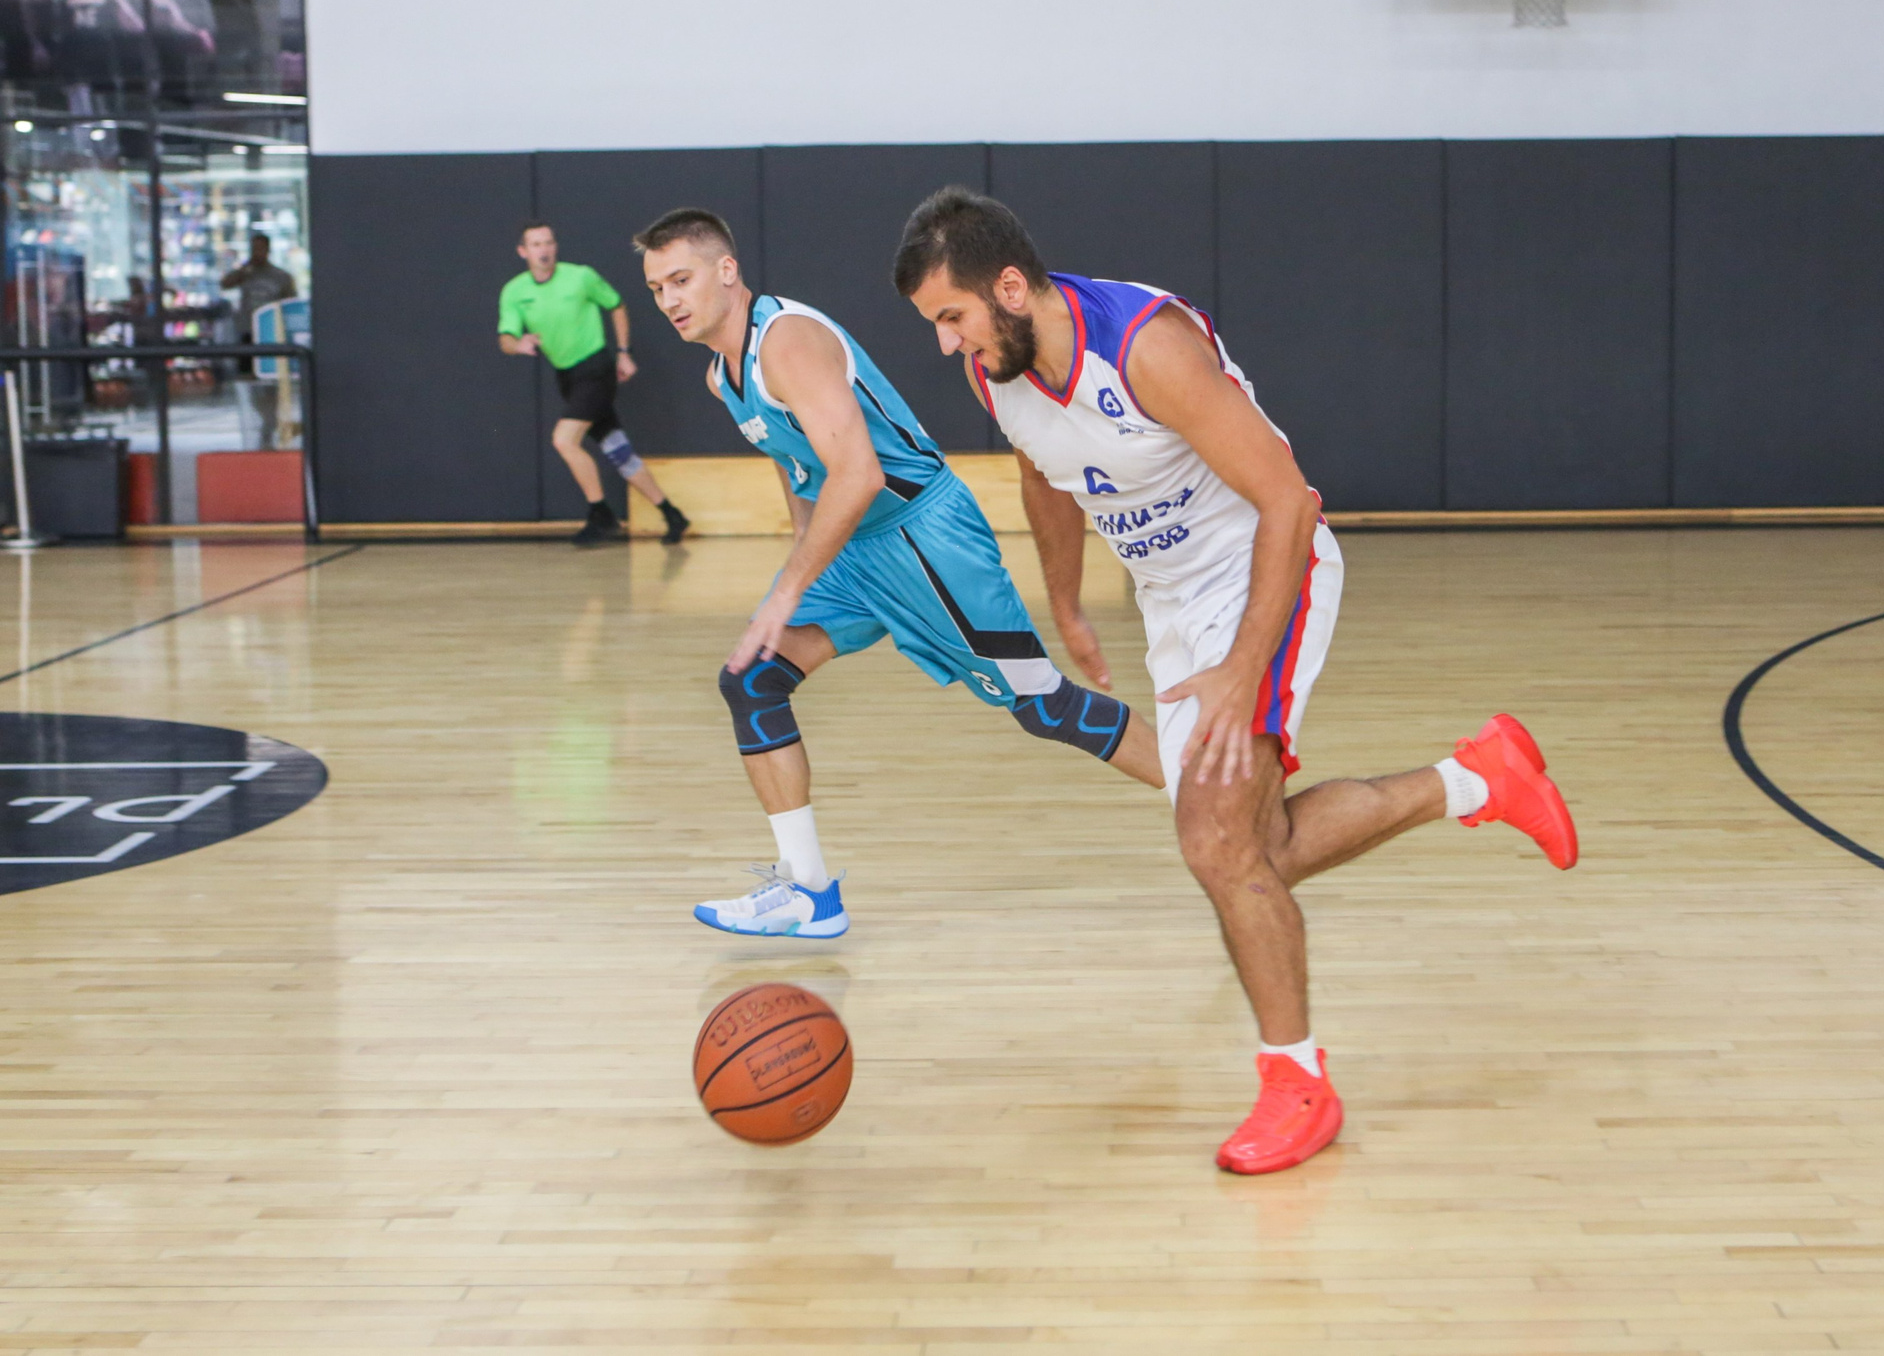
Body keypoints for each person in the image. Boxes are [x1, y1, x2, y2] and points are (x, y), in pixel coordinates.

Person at [894, 186, 1578, 1177]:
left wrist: (1238, 669)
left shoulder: (1144, 347)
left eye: (950, 318)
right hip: (1171, 601)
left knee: (1214, 841)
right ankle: (1478, 778)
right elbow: (1044, 471)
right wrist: (1070, 603)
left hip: (1265, 565)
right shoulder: (996, 370)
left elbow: (1287, 501)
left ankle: (1297, 1083)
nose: (947, 345)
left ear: (1008, 287)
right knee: (1253, 850)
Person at [632, 206, 1165, 944]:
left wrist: (787, 586)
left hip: (922, 536)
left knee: (1046, 707)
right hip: (854, 548)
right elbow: (802, 468)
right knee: (752, 677)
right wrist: (803, 561)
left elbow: (857, 472)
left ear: (727, 270)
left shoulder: (786, 342)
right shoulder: (724, 376)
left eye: (681, 278)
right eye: (658, 287)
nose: (670, 299)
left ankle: (1216, 798)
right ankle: (809, 891)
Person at [497, 221, 688, 547]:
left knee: (564, 440)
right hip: (567, 377)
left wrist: (624, 353)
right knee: (619, 453)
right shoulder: (515, 291)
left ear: (555, 246)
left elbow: (616, 305)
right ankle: (671, 514)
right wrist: (519, 344)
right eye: (535, 244)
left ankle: (600, 513)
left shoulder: (581, 276)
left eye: (548, 242)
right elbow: (505, 338)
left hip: (596, 369)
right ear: (523, 251)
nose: (543, 250)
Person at [220, 232, 296, 449]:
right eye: (254, 248)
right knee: (249, 379)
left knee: (270, 379)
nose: (257, 252)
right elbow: (225, 283)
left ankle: (270, 420)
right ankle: (259, 417)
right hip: (247, 332)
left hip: (270, 333)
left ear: (268, 249)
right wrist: (244, 269)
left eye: (261, 248)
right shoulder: (245, 273)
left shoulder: (280, 277)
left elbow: (290, 303)